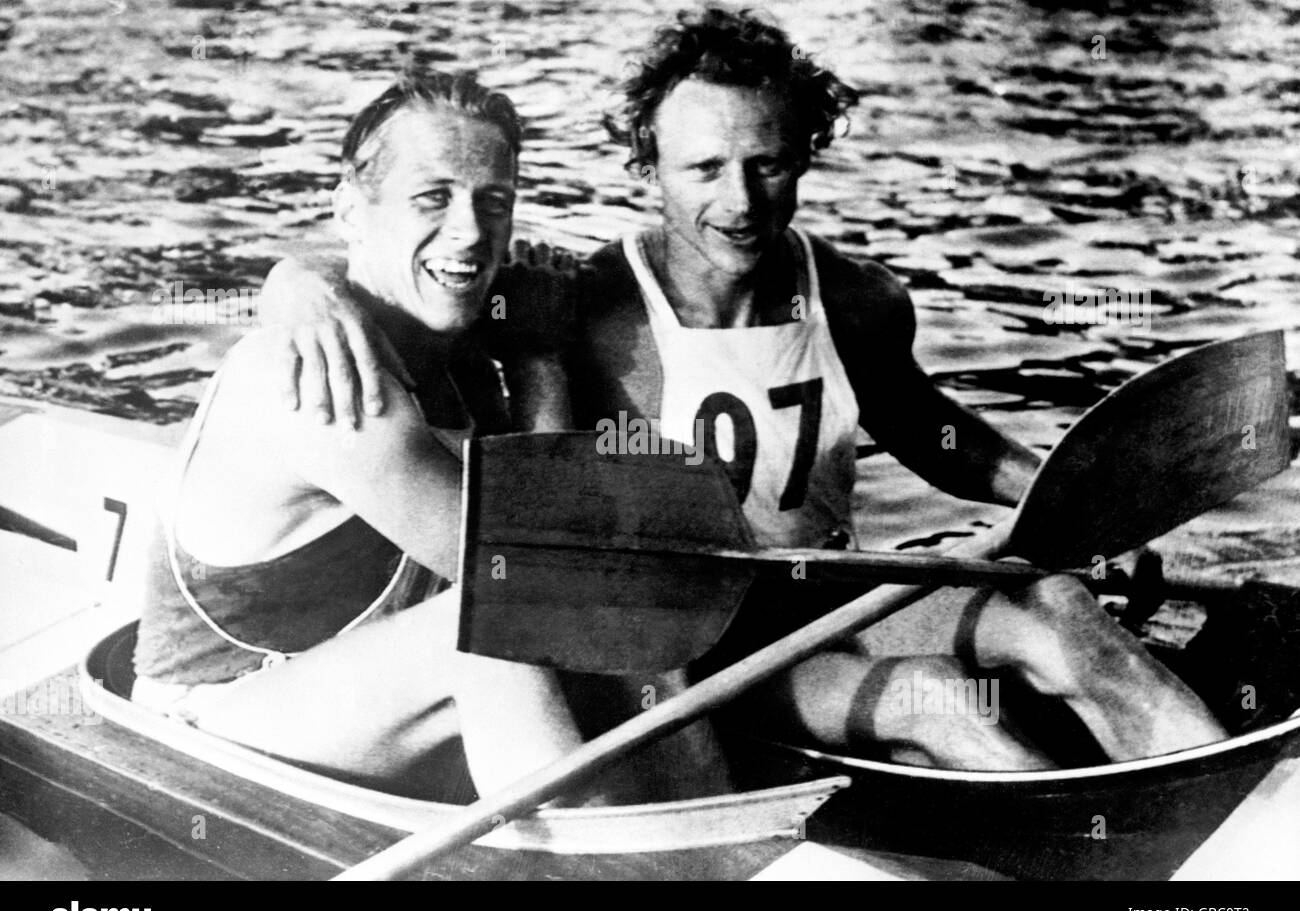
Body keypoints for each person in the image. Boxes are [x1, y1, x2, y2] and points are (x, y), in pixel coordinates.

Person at [258, 9, 1226, 770]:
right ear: (649, 169)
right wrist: (294, 280)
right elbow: (418, 272)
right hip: (692, 635)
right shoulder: (589, 300)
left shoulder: (852, 295)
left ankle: (1226, 819)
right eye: (704, 170)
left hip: (830, 591)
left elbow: (932, 435)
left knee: (1059, 608)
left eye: (766, 165)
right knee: (933, 695)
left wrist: (1078, 503)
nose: (738, 201)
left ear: (803, 154)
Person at [132, 66, 729, 803]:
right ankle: (607, 854)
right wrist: (541, 357)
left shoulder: (448, 336)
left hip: (349, 693)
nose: (471, 232)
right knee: (488, 631)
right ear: (351, 208)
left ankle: (703, 827)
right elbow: (543, 583)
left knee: (619, 617)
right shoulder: (323, 376)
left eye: (494, 202)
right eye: (432, 198)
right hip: (207, 724)